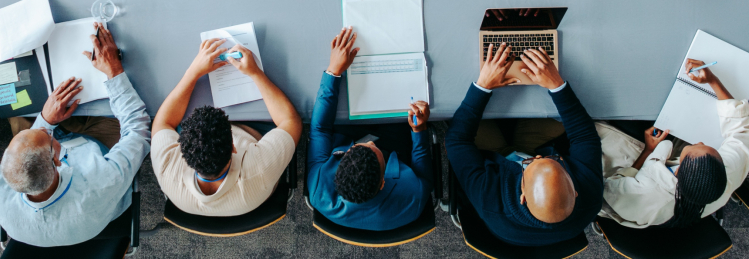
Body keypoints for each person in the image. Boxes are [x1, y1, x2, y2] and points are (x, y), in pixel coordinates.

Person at [0, 23, 150, 247]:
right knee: (124, 111)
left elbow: (33, 147)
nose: (46, 131)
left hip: (59, 175)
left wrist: (45, 119)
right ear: (56, 159)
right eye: (46, 135)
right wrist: (114, 71)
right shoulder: (101, 181)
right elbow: (138, 129)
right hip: (98, 150)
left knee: (19, 111)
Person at [446, 43, 603, 246]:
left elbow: (457, 140)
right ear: (574, 191)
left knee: (454, 116)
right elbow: (585, 137)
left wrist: (483, 86)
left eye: (529, 165)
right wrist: (557, 85)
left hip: (497, 158)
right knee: (556, 116)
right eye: (552, 160)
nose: (536, 158)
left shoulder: (491, 202)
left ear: (523, 197)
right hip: (535, 145)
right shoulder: (591, 199)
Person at [598, 59, 749, 228]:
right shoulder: (729, 171)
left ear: (677, 172)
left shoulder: (642, 194)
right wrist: (712, 80)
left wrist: (647, 152)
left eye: (693, 147)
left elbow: (609, 187)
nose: (699, 142)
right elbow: (742, 130)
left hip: (629, 180)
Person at [151, 38, 302, 216]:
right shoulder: (260, 169)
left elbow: (163, 123)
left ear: (183, 150)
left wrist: (192, 73)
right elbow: (291, 121)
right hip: (253, 132)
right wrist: (255, 73)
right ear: (233, 146)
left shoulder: (167, 169)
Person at [306, 27, 433, 230]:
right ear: (383, 183)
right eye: (374, 149)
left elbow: (319, 129)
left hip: (346, 135)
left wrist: (333, 71)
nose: (371, 141)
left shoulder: (319, 188)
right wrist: (419, 130)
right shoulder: (412, 198)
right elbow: (424, 174)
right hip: (395, 148)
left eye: (364, 146)